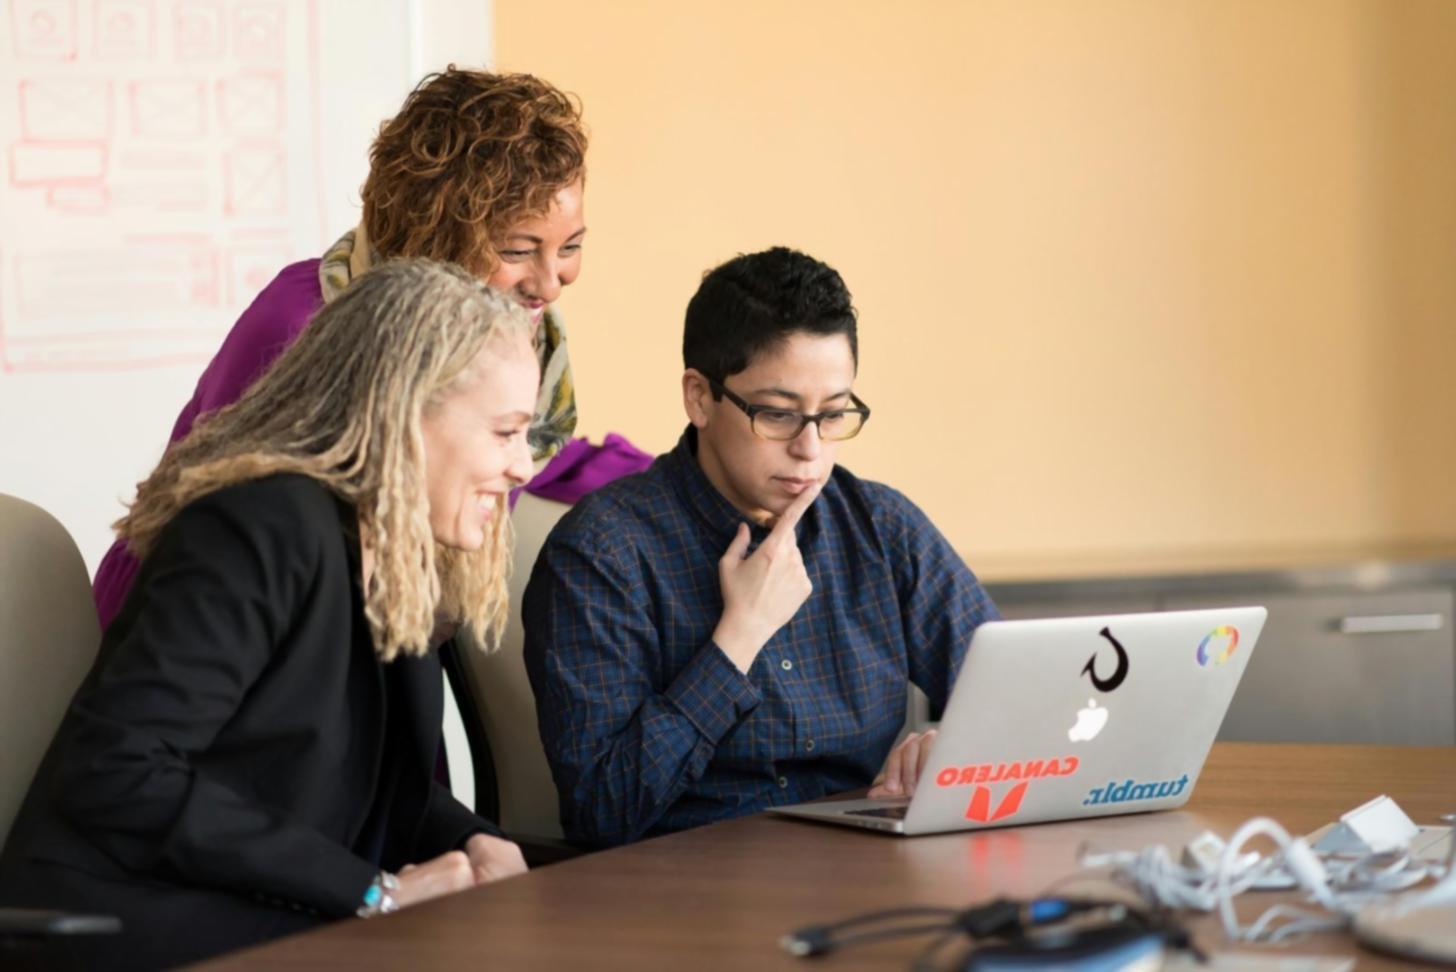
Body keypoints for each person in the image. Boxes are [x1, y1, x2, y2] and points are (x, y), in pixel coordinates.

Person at [0, 260, 535, 970]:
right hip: (122, 920)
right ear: (408, 413)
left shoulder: (394, 550)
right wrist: (373, 893)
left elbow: (371, 785)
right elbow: (120, 771)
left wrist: (473, 842)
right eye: (505, 432)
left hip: (259, 910)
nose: (524, 466)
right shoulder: (254, 528)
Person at [91, 66, 608, 630]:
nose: (551, 284)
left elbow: (511, 447)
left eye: (570, 247)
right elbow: (222, 527)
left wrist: (666, 475)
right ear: (437, 235)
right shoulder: (304, 323)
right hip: (193, 628)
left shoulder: (510, 336)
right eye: (517, 251)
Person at [522, 247, 1001, 848]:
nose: (810, 450)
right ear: (700, 397)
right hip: (686, 880)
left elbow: (1016, 698)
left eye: (833, 415)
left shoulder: (881, 527)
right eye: (777, 415)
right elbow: (603, 810)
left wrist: (956, 747)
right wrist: (738, 639)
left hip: (863, 868)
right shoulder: (602, 554)